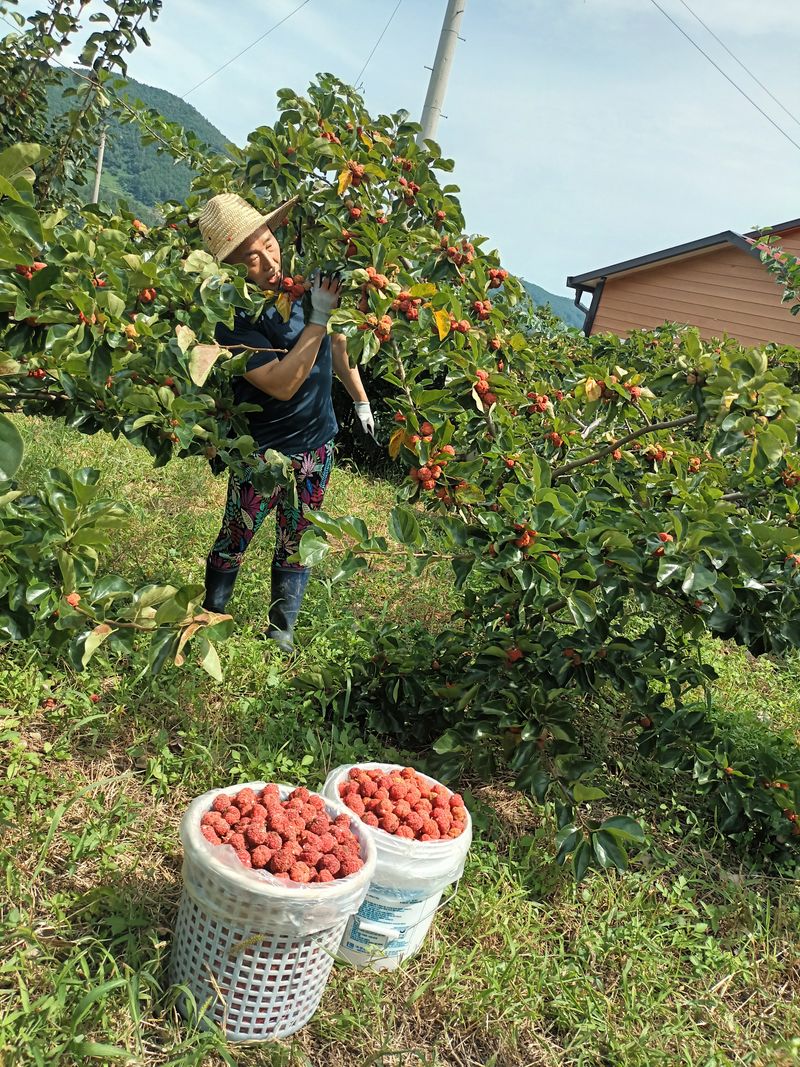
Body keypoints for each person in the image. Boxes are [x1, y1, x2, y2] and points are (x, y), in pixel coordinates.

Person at [197, 192, 373, 653]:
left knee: (299, 536)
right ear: (230, 270)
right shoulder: (232, 319)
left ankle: (282, 631)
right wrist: (317, 316)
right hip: (263, 452)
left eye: (267, 244)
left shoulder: (300, 289)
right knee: (238, 531)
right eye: (249, 258)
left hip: (317, 445)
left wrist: (360, 400)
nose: (266, 260)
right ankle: (210, 616)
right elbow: (280, 383)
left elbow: (337, 347)